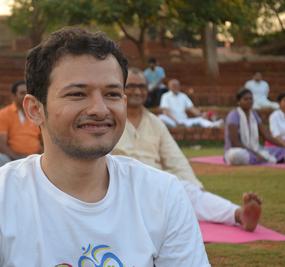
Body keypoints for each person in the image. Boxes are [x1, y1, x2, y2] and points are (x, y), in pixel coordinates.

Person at [0, 28, 210, 266]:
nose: (99, 109)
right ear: (35, 110)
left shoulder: (163, 196)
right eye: (78, 94)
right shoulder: (5, 197)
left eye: (112, 94)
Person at [113, 67, 262, 232]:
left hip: (152, 183)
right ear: (121, 89)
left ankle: (239, 215)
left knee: (189, 193)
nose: (137, 91)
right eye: (132, 86)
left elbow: (175, 158)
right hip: (120, 186)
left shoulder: (156, 123)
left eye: (141, 87)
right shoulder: (109, 120)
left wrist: (192, 184)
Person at [224, 88, 285, 165]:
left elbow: (266, 135)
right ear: (238, 102)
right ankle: (263, 159)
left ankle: (261, 159)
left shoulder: (254, 115)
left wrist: (283, 145)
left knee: (281, 151)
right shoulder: (233, 115)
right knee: (236, 155)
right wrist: (255, 153)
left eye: (251, 99)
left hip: (256, 149)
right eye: (245, 99)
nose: (249, 101)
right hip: (237, 151)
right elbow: (235, 142)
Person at [0, 80, 41, 166]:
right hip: (11, 158)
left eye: (27, 93)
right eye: (22, 93)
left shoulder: (36, 113)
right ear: (13, 96)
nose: (25, 96)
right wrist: (18, 158)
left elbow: (43, 140)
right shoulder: (4, 114)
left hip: (35, 158)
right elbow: (2, 144)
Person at [159, 79, 223, 128]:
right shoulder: (165, 96)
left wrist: (201, 114)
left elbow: (191, 108)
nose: (175, 87)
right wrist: (176, 122)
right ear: (169, 87)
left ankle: (213, 125)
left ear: (179, 86)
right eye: (173, 86)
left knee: (200, 119)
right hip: (172, 121)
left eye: (177, 85)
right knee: (161, 117)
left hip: (184, 120)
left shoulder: (183, 96)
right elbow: (166, 112)